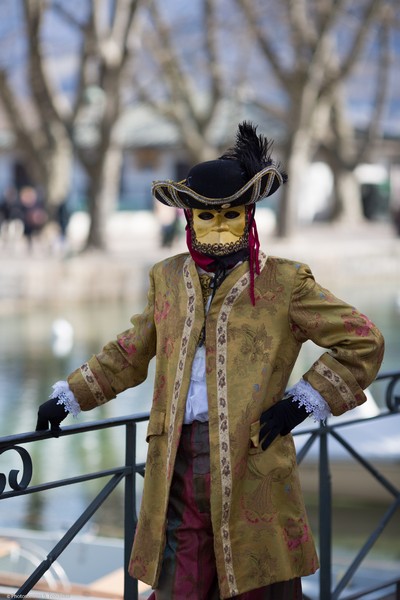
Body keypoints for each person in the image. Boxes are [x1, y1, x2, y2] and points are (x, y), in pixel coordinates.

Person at [36, 122, 384, 599]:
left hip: (253, 464)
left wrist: (301, 403)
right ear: (188, 218)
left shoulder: (284, 282)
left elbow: (363, 339)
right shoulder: (167, 278)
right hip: (174, 472)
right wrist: (68, 397)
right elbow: (131, 350)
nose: (219, 228)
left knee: (255, 584)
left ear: (251, 216)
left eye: (233, 216)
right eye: (207, 216)